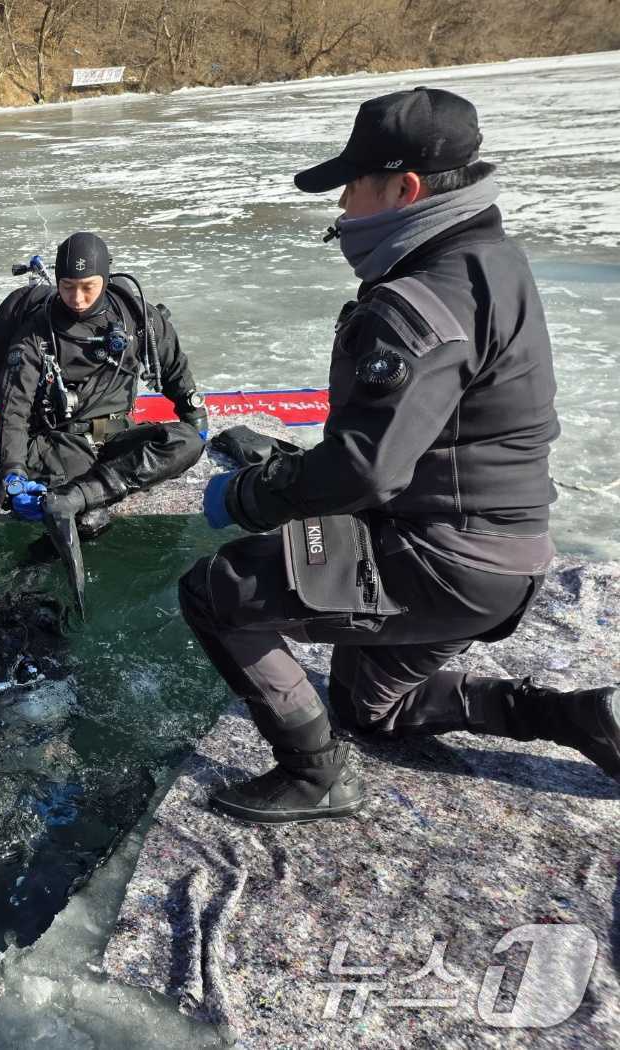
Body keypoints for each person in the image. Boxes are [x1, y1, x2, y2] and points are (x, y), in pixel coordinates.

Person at [180, 87, 618, 825]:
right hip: (505, 555)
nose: (344, 204)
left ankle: (313, 776)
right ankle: (573, 717)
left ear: (404, 188)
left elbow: (363, 467)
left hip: (445, 558)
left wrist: (254, 493)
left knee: (215, 593)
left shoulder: (416, 301)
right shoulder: (491, 258)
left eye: (353, 185)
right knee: (368, 706)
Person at [0, 232, 207, 540]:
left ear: (105, 278)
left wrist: (194, 415)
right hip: (64, 442)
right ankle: (85, 497)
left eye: (87, 287)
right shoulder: (37, 334)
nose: (77, 298)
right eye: (67, 287)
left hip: (119, 436)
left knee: (187, 442)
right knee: (88, 523)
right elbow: (15, 410)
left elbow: (173, 366)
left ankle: (86, 493)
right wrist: (13, 473)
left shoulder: (135, 316)